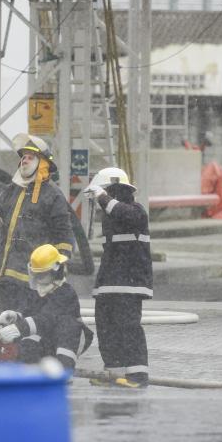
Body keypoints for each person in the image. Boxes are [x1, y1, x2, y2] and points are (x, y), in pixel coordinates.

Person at [0, 134, 74, 312]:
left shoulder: (52, 195)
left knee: (28, 328)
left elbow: (64, 233)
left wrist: (59, 266)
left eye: (30, 157)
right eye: (23, 157)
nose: (24, 160)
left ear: (42, 163)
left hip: (34, 279)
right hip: (5, 276)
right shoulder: (11, 189)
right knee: (8, 326)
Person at [81, 167, 152, 389]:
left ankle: (137, 375)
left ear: (114, 190)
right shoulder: (112, 215)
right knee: (106, 327)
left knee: (127, 327)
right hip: (110, 283)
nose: (99, 204)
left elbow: (125, 214)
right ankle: (113, 373)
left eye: (102, 194)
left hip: (129, 283)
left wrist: (103, 197)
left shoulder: (135, 211)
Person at [0, 244, 93, 371]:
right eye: (36, 273)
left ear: (55, 271)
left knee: (67, 326)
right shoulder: (36, 291)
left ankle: (63, 370)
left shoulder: (65, 292)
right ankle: (30, 367)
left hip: (70, 339)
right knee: (27, 344)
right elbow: (29, 313)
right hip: (48, 338)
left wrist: (19, 328)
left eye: (42, 274)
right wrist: (15, 316)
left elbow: (46, 319)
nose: (37, 278)